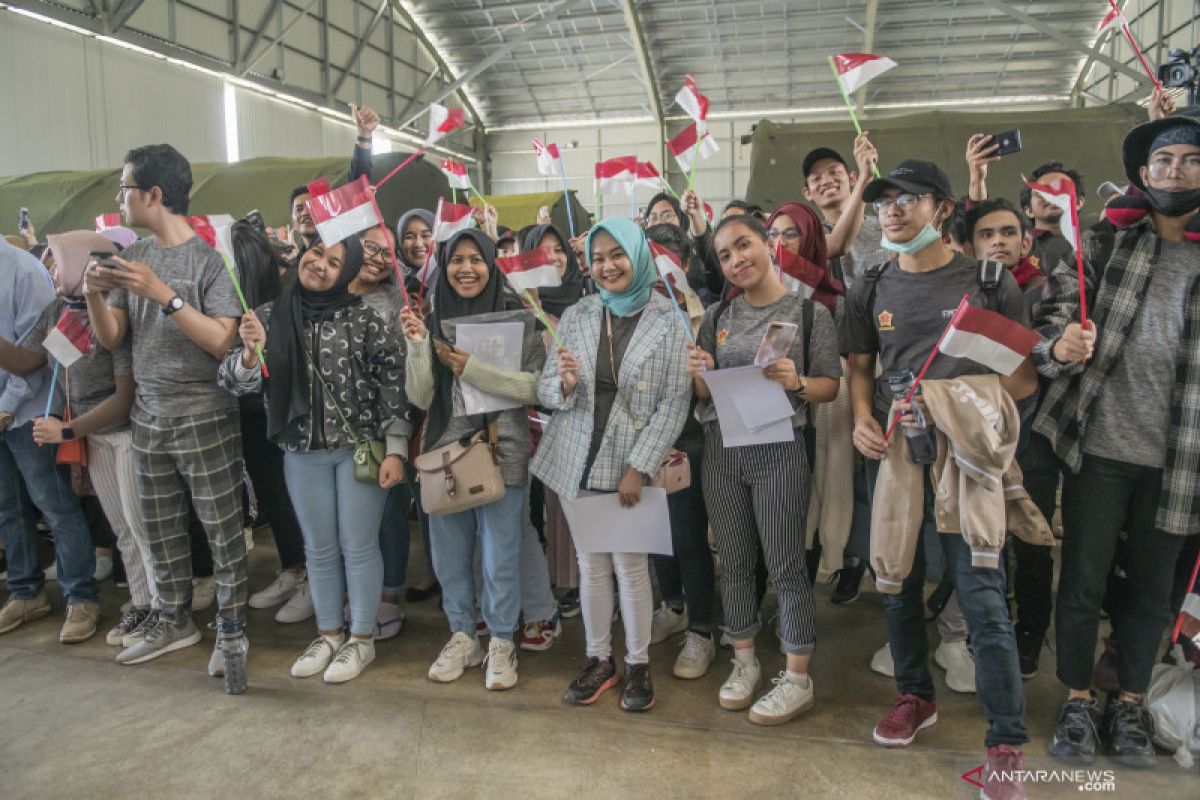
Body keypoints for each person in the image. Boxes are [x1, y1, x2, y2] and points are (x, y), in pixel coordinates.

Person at [845, 159, 1036, 796]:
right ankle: (914, 697)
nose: (892, 211)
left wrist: (952, 401)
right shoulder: (872, 284)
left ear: (943, 208)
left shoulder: (986, 282)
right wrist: (865, 419)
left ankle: (1006, 739)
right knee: (896, 580)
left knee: (980, 590)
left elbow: (1023, 379)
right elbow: (861, 367)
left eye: (908, 199)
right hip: (899, 453)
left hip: (968, 458)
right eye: (883, 203)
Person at [1035, 115, 1200, 769]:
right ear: (1143, 173)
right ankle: (1077, 699)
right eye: (1164, 161)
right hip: (1100, 449)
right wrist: (1059, 344)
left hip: (1181, 461)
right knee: (1081, 579)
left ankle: (1130, 701)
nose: (1176, 171)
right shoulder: (1107, 242)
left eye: (1191, 160)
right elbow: (1055, 310)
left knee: (1153, 594)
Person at [83, 144, 248, 684]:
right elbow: (113, 339)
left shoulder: (206, 260)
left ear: (154, 195)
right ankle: (175, 620)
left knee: (222, 532)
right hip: (148, 416)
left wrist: (166, 297)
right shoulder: (138, 258)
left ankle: (231, 628)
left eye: (126, 187)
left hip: (203, 414)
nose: (120, 197)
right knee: (158, 531)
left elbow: (224, 342)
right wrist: (91, 294)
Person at [220, 234, 409, 683]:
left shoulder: (368, 320)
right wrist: (249, 353)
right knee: (319, 550)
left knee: (359, 547)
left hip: (359, 450)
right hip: (299, 451)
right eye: (315, 254)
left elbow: (393, 388)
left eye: (334, 260)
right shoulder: (267, 316)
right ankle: (327, 634)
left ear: (347, 271)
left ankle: (360, 640)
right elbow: (233, 382)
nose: (320, 264)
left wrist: (397, 450)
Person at [532, 218, 690, 711]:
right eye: (597, 257)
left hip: (626, 464)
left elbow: (674, 401)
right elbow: (544, 390)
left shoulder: (668, 318)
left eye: (617, 254)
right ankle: (599, 660)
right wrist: (565, 384)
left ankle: (639, 666)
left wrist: (640, 468)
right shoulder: (578, 314)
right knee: (591, 568)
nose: (607, 266)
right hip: (576, 458)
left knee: (631, 568)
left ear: (639, 255)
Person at [689, 214, 841, 726]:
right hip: (723, 449)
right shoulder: (715, 316)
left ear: (768, 244)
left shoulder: (809, 312)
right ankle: (745, 659)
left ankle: (798, 676)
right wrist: (700, 377)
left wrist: (797, 381)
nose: (737, 260)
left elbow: (830, 386)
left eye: (744, 245)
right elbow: (703, 395)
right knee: (733, 559)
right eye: (726, 255)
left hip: (779, 448)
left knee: (784, 560)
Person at [401, 229, 546, 692]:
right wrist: (419, 346)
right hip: (444, 454)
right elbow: (420, 396)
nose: (466, 269)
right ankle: (463, 634)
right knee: (448, 556)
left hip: (502, 452)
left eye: (476, 260)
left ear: (491, 264)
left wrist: (476, 369)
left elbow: (536, 389)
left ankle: (502, 639)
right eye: (456, 260)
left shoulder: (519, 319)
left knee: (501, 554)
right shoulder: (430, 318)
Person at [6, 231, 159, 647]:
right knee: (121, 529)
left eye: (58, 261)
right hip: (98, 439)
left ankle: (165, 610)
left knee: (142, 528)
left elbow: (123, 398)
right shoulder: (64, 309)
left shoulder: (114, 311)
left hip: (123, 435)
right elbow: (32, 360)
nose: (52, 270)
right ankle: (144, 605)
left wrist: (67, 430)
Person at [964, 198, 1056, 680]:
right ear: (969, 245)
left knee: (1033, 539)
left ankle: (1032, 630)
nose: (997, 241)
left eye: (1007, 232)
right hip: (978, 434)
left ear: (1026, 241)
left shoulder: (1047, 293)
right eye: (985, 234)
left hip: (1032, 434)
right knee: (984, 544)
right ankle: (988, 630)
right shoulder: (965, 295)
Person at [0, 239, 100, 643]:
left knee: (55, 506)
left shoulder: (22, 271)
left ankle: (81, 596)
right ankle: (26, 592)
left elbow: (36, 359)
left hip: (27, 412)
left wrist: (5, 407)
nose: (55, 272)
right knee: (8, 508)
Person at [229, 223, 313, 626]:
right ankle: (292, 568)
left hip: (281, 411)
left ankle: (313, 576)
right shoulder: (236, 302)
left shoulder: (286, 297)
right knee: (270, 491)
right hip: (245, 408)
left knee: (293, 495)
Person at [643, 223, 716, 679]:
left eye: (670, 261)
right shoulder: (632, 315)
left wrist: (699, 366)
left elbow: (708, 392)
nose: (660, 271)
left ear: (685, 264)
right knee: (655, 536)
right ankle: (673, 605)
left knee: (689, 537)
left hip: (690, 440)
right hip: (645, 441)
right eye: (651, 262)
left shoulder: (704, 317)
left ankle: (702, 629)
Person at [801, 134, 886, 289]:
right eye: (816, 179)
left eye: (834, 172)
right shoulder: (809, 235)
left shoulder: (886, 226)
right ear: (807, 193)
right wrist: (865, 178)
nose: (826, 181)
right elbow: (836, 246)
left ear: (852, 178)